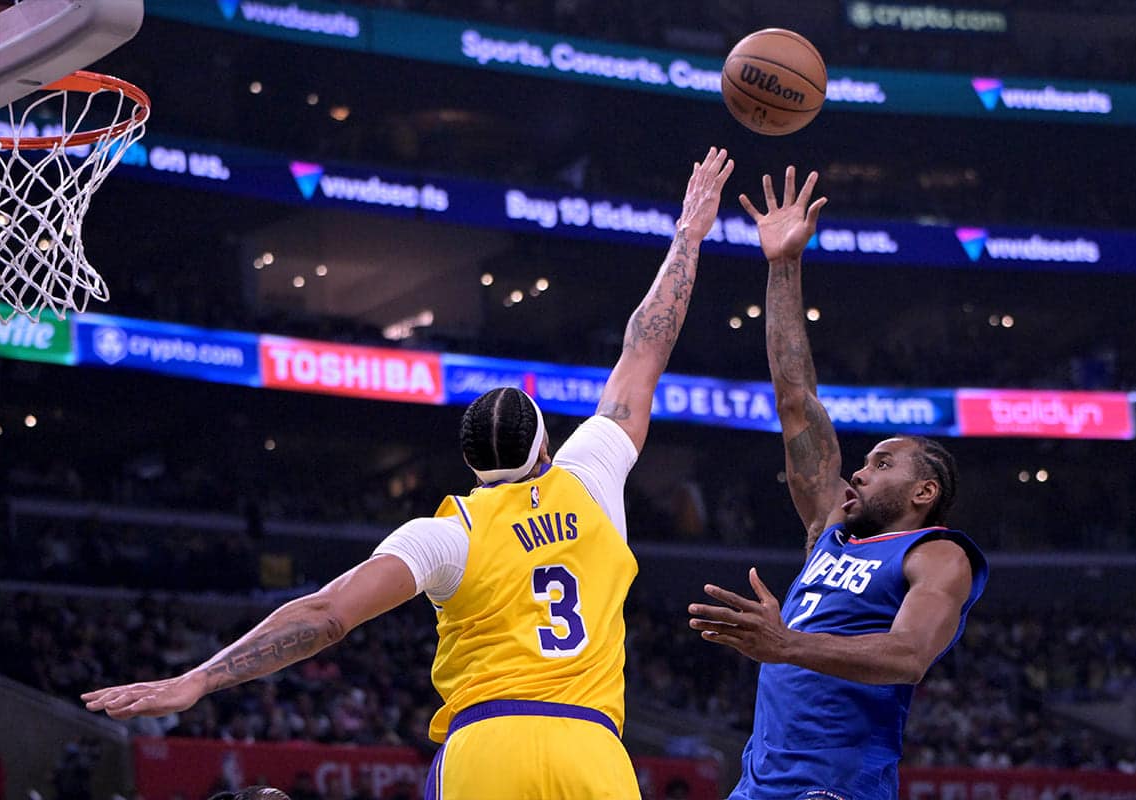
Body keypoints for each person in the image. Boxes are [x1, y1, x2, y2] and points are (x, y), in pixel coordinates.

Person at [82, 147, 736, 800]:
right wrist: (687, 237)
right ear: (546, 448)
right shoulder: (590, 471)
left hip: (489, 747)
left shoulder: (448, 533)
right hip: (593, 751)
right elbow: (644, 348)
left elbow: (328, 615)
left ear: (474, 465)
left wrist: (201, 678)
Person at [688, 166, 988, 800]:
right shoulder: (830, 530)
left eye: (882, 463)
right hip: (758, 784)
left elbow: (908, 656)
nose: (858, 469)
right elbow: (797, 400)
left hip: (837, 786)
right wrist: (783, 264)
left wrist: (786, 643)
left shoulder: (938, 554)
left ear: (923, 493)